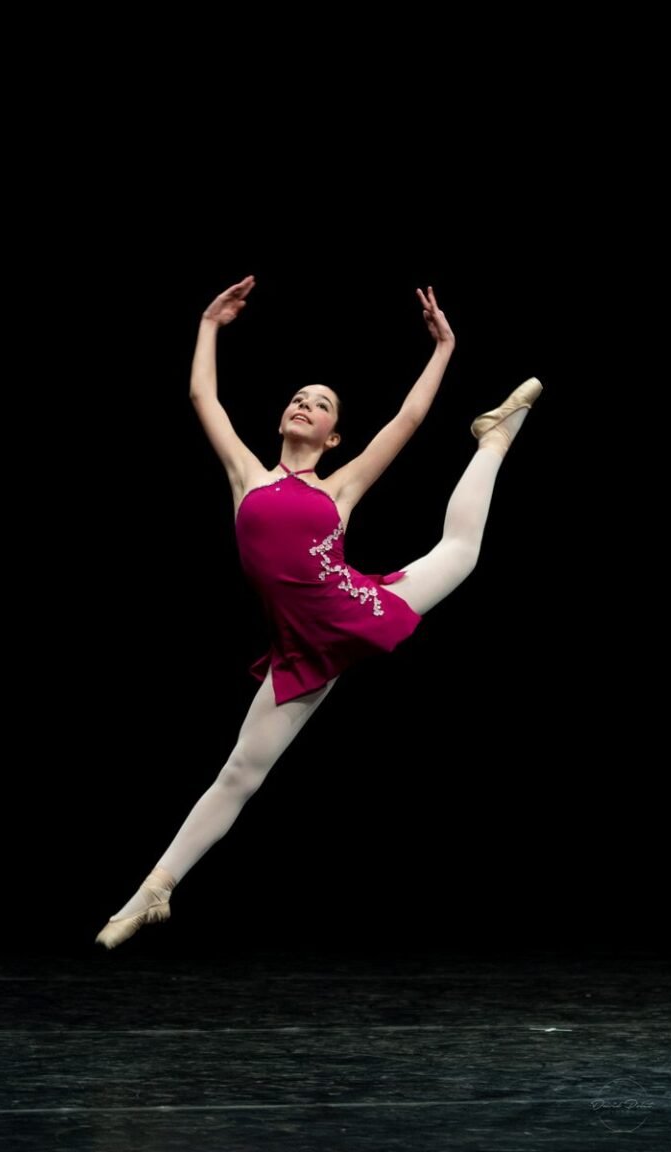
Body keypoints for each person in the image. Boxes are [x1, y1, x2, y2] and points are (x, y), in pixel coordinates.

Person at [95, 275, 542, 948]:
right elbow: (202, 396)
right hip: (302, 650)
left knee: (460, 552)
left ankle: (493, 440)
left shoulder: (340, 490)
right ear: (282, 417)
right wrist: (209, 324)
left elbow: (408, 420)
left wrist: (444, 347)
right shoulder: (246, 476)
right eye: (298, 398)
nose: (306, 405)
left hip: (355, 607)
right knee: (240, 773)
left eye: (322, 403)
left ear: (333, 436)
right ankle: (153, 891)